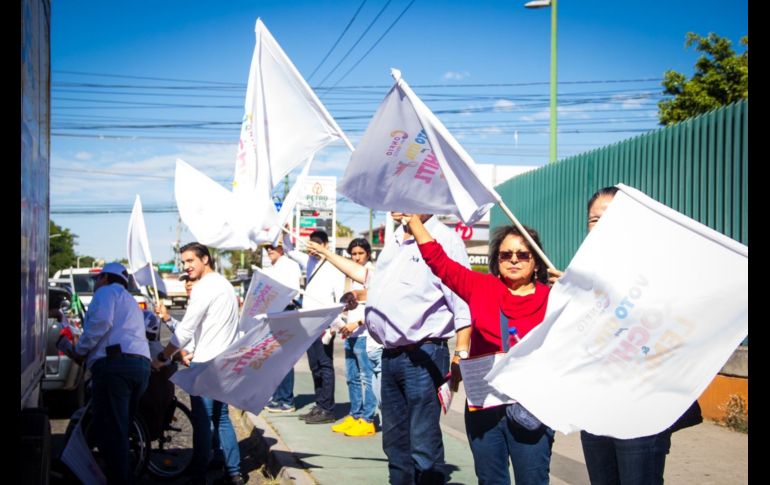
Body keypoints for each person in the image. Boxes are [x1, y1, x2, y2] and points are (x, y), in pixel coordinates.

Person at [306, 213, 471, 484]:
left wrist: (460, 354)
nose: (393, 199)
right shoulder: (395, 239)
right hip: (391, 354)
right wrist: (327, 255)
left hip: (425, 354)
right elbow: (369, 277)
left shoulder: (444, 239)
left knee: (423, 444)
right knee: (395, 443)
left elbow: (462, 298)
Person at [405, 214, 555, 485]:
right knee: (490, 480)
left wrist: (574, 288)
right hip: (484, 407)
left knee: (532, 480)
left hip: (531, 406)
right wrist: (415, 222)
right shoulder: (481, 287)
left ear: (536, 262)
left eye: (522, 254)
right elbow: (439, 262)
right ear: (496, 261)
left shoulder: (555, 298)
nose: (513, 259)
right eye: (505, 254)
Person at [574, 187, 675, 485]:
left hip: (640, 409)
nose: (602, 225)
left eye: (612, 217)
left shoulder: (656, 272)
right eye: (594, 220)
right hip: (594, 409)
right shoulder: (580, 276)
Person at [152, 243, 243, 485]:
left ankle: (199, 475)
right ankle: (234, 472)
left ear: (205, 259)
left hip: (205, 363)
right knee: (222, 418)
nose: (187, 266)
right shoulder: (225, 285)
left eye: (190, 261)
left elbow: (186, 331)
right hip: (226, 361)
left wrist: (163, 356)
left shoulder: (204, 288)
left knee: (203, 422)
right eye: (184, 262)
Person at [59, 262, 151, 484]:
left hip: (114, 367)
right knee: (122, 429)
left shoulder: (106, 292)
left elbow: (101, 322)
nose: (96, 283)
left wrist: (80, 351)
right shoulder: (130, 300)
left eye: (98, 278)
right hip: (140, 367)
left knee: (112, 434)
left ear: (106, 278)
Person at [283, 229, 346, 425]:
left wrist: (334, 324)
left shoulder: (334, 265)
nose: (313, 249)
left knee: (325, 365)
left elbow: (340, 298)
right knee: (314, 366)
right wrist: (285, 231)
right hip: (308, 322)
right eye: (311, 245)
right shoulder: (309, 261)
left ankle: (328, 408)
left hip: (324, 323)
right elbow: (289, 250)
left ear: (326, 245)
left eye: (318, 245)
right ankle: (319, 405)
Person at [330, 238, 379, 437]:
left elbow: (376, 306)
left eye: (360, 253)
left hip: (365, 334)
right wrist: (341, 322)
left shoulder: (372, 273)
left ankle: (368, 419)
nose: (356, 257)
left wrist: (357, 324)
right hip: (349, 333)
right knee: (352, 377)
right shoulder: (349, 276)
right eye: (353, 253)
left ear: (367, 253)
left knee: (367, 378)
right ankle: (355, 415)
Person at [261, 240, 303, 413]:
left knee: (284, 358)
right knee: (275, 358)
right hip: (273, 313)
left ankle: (286, 400)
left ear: (281, 247)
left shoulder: (289, 265)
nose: (269, 250)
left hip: (285, 311)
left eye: (272, 246)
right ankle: (278, 397)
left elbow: (290, 292)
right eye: (266, 247)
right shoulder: (272, 267)